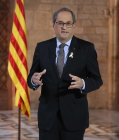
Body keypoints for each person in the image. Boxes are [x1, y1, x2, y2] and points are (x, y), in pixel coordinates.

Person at [27, 7, 103, 140]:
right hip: (48, 117)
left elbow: (97, 80)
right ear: (53, 25)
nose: (64, 27)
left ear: (74, 25)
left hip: (75, 117)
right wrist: (34, 80)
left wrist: (83, 83)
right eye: (60, 23)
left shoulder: (86, 48)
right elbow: (31, 78)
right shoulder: (42, 47)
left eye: (68, 23)